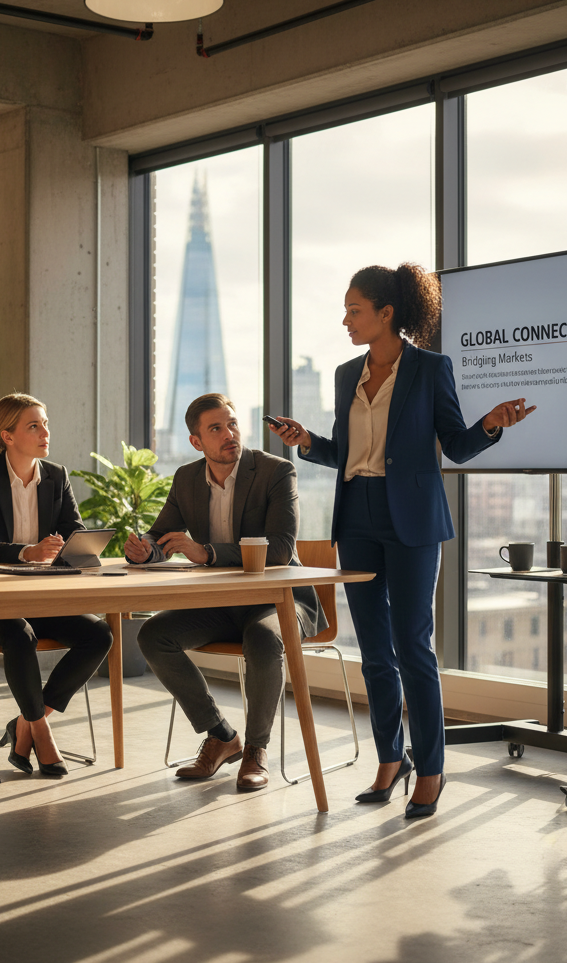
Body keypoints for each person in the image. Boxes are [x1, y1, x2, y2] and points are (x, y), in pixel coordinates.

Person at [271, 262, 535, 819]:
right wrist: (308, 441)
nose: (345, 320)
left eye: (354, 310)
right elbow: (346, 451)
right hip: (358, 517)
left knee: (414, 648)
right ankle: (390, 759)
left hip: (412, 518)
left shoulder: (430, 369)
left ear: (386, 313)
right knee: (373, 652)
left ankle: (432, 771)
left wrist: (491, 423)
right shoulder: (347, 374)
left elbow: (457, 448)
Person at [125, 393, 320, 791]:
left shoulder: (276, 472)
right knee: (153, 635)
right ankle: (220, 735)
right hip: (222, 603)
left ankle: (256, 750)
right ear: (197, 442)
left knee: (264, 640)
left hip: (281, 599)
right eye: (216, 428)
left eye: (231, 423)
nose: (229, 434)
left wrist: (206, 552)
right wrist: (146, 548)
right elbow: (162, 533)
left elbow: (281, 547)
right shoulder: (187, 478)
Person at [0, 393, 113, 777]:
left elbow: (73, 528)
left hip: (40, 596)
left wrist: (75, 544)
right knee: (19, 636)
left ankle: (25, 722)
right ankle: (40, 731)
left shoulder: (56, 475)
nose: (45, 432)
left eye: (45, 423)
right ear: (7, 436)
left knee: (100, 635)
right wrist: (28, 551)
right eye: (34, 425)